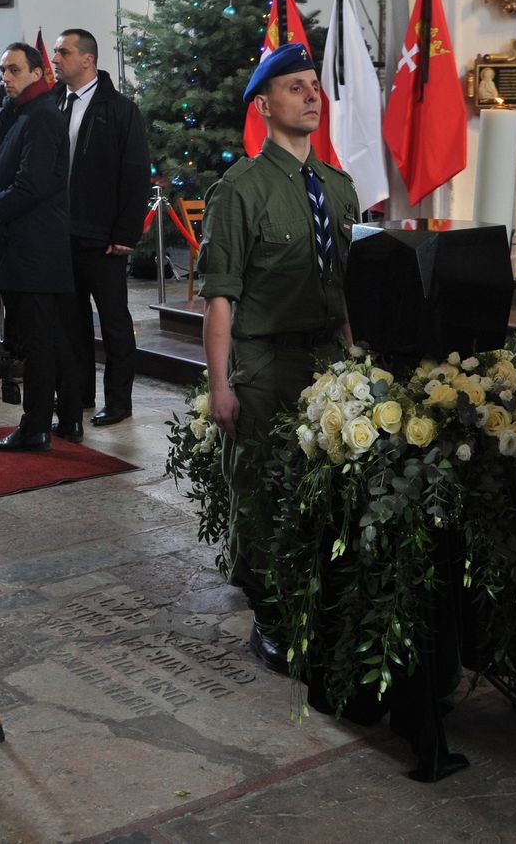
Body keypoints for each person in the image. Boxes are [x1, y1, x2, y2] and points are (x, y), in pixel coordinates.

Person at [198, 44, 360, 673]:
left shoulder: (339, 189)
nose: (312, 96)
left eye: (315, 85)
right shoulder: (240, 191)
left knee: (321, 489)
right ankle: (269, 615)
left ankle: (315, 598)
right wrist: (220, 385)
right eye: (296, 88)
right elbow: (220, 300)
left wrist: (354, 363)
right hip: (266, 367)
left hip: (327, 364)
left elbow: (347, 289)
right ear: (265, 106)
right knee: (262, 491)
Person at [0, 42, 79, 450]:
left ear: (37, 73)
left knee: (40, 341)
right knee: (48, 336)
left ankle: (36, 426)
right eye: (3, 71)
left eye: (14, 70)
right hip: (20, 244)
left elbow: (31, 184)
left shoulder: (42, 116)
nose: (6, 78)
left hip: (35, 245)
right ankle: (67, 419)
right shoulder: (13, 114)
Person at [52, 28, 150, 428]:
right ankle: (79, 396)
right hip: (63, 233)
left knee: (113, 323)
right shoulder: (55, 103)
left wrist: (126, 233)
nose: (55, 59)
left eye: (63, 52)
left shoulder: (120, 109)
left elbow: (135, 173)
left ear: (87, 60)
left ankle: (119, 401)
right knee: (71, 323)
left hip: (104, 237)